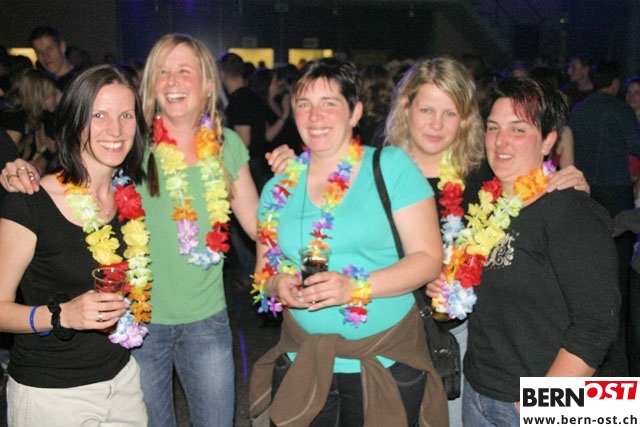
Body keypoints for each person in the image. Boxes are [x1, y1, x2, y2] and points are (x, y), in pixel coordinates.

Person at [2, 33, 295, 427]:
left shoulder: (224, 145)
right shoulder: (130, 141)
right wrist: (19, 168)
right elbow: (78, 168)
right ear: (150, 84)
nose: (172, 81)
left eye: (184, 70)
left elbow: (261, 227)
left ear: (208, 83)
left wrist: (289, 183)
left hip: (206, 320)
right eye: (163, 72)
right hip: (138, 322)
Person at [385, 56, 591, 427]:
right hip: (384, 334)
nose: (436, 124)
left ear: (466, 118)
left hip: (459, 341)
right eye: (427, 110)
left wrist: (569, 183)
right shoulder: (377, 170)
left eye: (450, 112)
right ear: (406, 108)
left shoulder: (488, 172)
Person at [249, 56, 449, 427]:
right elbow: (263, 272)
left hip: (384, 359)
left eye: (329, 103)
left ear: (355, 112)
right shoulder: (277, 188)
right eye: (304, 104)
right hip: (303, 359)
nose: (315, 116)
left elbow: (428, 259)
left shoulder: (390, 167)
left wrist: (354, 287)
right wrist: (278, 285)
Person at [458, 77, 619, 426]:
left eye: (518, 129)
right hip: (478, 392)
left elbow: (596, 325)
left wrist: (541, 404)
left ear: (548, 140)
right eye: (493, 127)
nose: (501, 141)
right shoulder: (483, 205)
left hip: (536, 404)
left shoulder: (569, 211)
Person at [0, 64, 148, 426]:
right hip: (52, 394)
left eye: (126, 115)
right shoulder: (30, 202)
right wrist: (62, 315)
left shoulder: (128, 198)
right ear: (74, 121)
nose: (116, 130)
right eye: (99, 115)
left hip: (122, 382)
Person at [29, 25, 78, 92]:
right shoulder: (42, 86)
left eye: (50, 49)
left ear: (62, 47)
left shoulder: (80, 81)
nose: (45, 56)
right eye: (40, 52)